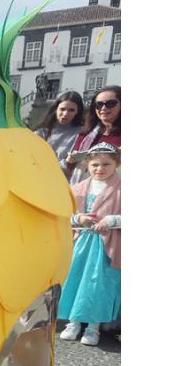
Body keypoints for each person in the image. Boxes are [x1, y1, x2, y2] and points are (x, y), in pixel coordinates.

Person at [58, 143, 121, 347]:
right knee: (75, 279)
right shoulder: (78, 189)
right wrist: (79, 218)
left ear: (116, 164)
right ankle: (73, 322)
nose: (99, 169)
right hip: (82, 242)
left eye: (106, 164)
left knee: (98, 284)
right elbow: (64, 215)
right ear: (87, 165)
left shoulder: (122, 189)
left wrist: (111, 220)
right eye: (94, 164)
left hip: (106, 245)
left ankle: (93, 327)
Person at [70, 85, 121, 185]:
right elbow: (74, 168)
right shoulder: (85, 135)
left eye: (110, 103)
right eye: (99, 104)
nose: (103, 108)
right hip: (86, 192)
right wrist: (70, 161)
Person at [35, 91, 86, 179]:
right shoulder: (41, 133)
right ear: (56, 109)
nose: (65, 114)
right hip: (41, 178)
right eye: (62, 109)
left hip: (68, 182)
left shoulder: (83, 132)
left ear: (77, 111)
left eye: (71, 110)